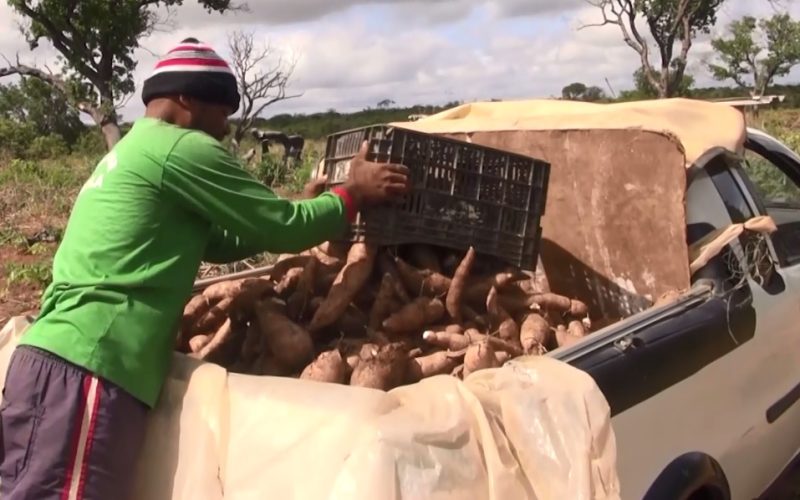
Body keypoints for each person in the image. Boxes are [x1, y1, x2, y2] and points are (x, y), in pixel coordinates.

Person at [0, 37, 410, 499]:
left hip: (58, 362)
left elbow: (224, 239)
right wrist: (352, 195)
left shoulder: (135, 151)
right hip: (89, 364)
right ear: (187, 100)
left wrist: (303, 207)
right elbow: (281, 230)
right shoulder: (181, 148)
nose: (223, 129)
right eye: (221, 113)